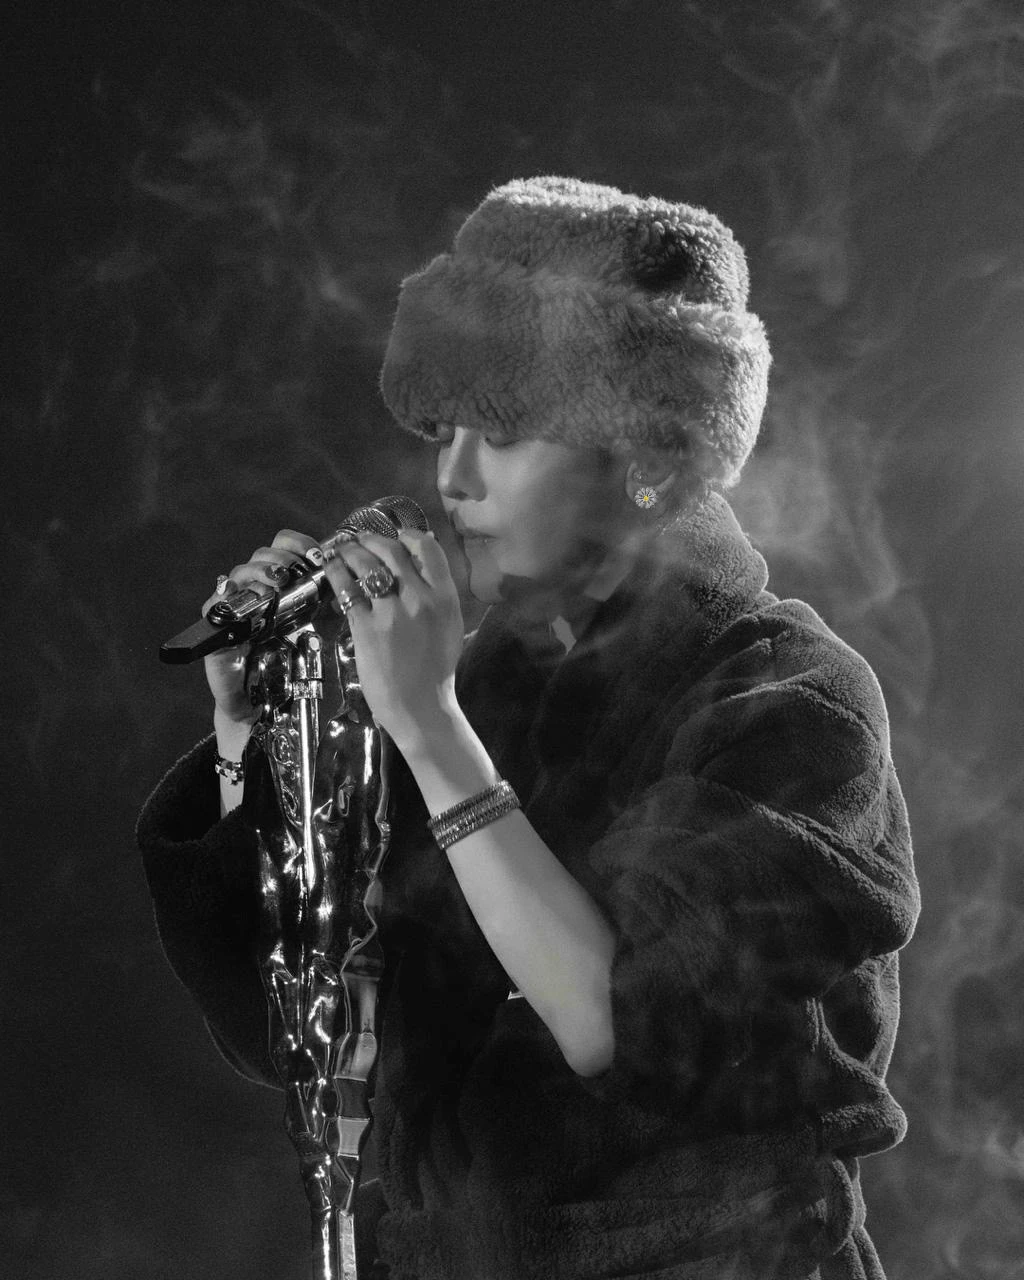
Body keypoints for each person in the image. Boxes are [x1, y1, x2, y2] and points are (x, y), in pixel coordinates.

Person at [138, 176, 919, 1280]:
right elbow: (302, 1038)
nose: (450, 477)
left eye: (499, 434)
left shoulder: (792, 699)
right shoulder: (474, 691)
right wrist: (249, 739)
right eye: (443, 429)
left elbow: (618, 1023)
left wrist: (427, 726)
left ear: (649, 454)